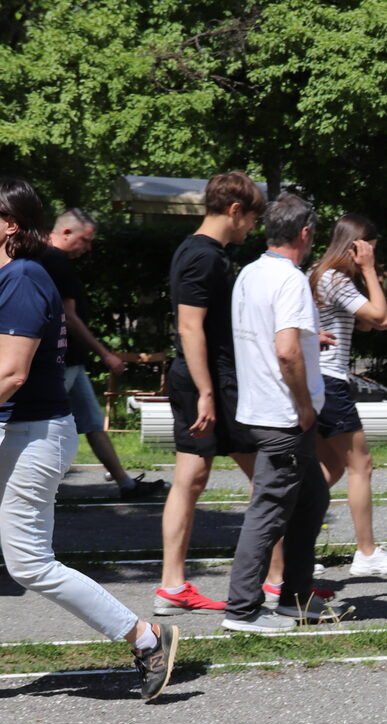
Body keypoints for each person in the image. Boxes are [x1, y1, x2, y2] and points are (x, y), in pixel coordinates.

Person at [0, 177, 177, 699]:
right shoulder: (12, 277)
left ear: (9, 224)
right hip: (18, 431)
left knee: (29, 562)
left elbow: (11, 372)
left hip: (30, 435)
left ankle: (147, 638)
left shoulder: (24, 278)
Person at [219, 193, 338, 634]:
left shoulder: (250, 273)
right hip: (285, 415)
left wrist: (311, 337)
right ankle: (243, 609)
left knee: (311, 499)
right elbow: (286, 351)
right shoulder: (290, 279)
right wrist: (305, 406)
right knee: (268, 512)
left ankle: (294, 597)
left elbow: (272, 336)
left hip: (259, 407)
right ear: (305, 233)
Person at [154, 171, 269, 616]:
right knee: (268, 480)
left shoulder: (204, 252)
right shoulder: (204, 257)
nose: (251, 229)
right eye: (251, 220)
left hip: (211, 380)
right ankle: (276, 582)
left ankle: (173, 585)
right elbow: (190, 326)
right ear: (235, 210)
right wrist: (206, 392)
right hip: (210, 383)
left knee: (196, 480)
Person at [308, 214, 387, 576]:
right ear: (357, 245)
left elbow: (365, 320)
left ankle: (294, 545)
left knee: (328, 468)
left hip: (315, 382)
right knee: (360, 465)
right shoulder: (335, 278)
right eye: (371, 248)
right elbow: (382, 319)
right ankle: (366, 554)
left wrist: (367, 282)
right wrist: (368, 271)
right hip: (331, 381)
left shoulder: (320, 275)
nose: (373, 254)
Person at [41, 209, 166, 500]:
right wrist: (105, 354)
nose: (88, 248)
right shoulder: (55, 259)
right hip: (61, 361)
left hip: (71, 360)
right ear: (66, 232)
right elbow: (69, 316)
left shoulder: (41, 256)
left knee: (93, 423)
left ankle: (126, 484)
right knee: (47, 428)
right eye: (85, 241)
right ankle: (36, 490)